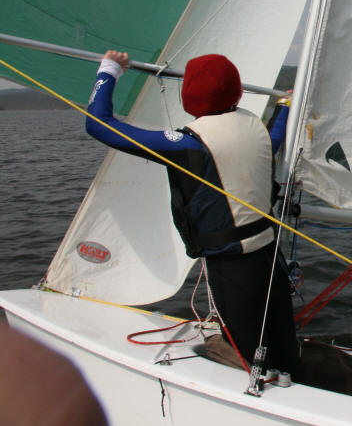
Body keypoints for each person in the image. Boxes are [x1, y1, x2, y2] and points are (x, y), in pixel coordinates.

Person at [86, 50, 299, 376]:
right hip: (271, 258)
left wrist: (110, 69)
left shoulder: (188, 144)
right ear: (237, 92)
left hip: (232, 269)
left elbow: (100, 125)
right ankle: (293, 376)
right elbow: (276, 136)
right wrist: (284, 105)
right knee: (284, 345)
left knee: (251, 358)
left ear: (189, 97)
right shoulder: (256, 128)